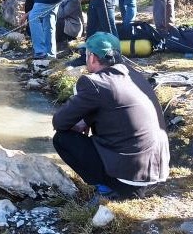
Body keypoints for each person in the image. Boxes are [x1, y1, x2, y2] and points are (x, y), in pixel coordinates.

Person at [52, 33, 170, 200]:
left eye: (86, 55)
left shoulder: (94, 83)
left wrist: (79, 123)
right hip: (156, 173)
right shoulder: (134, 75)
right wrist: (85, 120)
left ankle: (107, 189)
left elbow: (59, 122)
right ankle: (119, 183)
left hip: (128, 181)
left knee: (62, 139)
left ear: (92, 57)